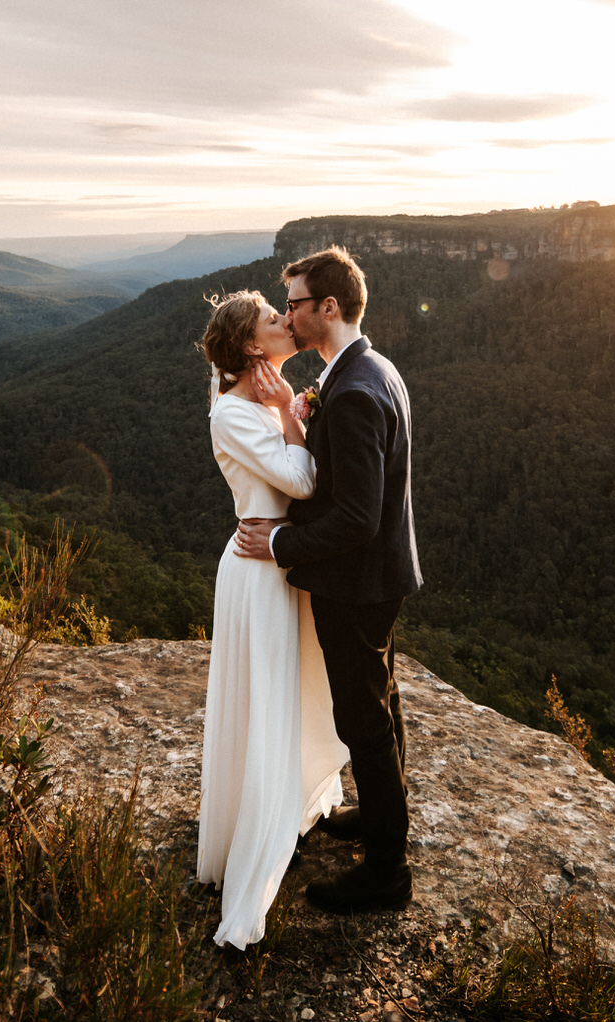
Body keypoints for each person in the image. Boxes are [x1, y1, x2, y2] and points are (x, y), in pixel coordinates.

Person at [235, 245, 422, 914]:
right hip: (379, 577)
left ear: (329, 308)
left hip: (358, 580)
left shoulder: (356, 393)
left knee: (362, 719)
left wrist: (281, 541)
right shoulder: (371, 370)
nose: (287, 315)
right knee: (382, 701)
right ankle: (380, 819)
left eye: (294, 304)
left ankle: (387, 874)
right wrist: (296, 413)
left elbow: (356, 518)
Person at [194, 290, 350, 949]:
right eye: (273, 318)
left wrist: (288, 407)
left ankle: (287, 801)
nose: (288, 321)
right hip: (259, 574)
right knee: (266, 700)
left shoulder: (259, 398)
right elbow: (303, 481)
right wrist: (293, 414)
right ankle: (254, 841)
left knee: (293, 692)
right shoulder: (235, 412)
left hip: (278, 561)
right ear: (253, 346)